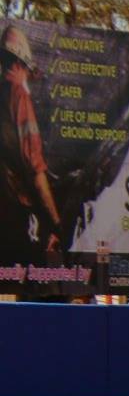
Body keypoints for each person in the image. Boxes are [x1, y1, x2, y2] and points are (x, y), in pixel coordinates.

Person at [1, 25, 64, 263]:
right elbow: (36, 171)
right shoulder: (19, 95)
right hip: (18, 215)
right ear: (19, 65)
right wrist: (56, 224)